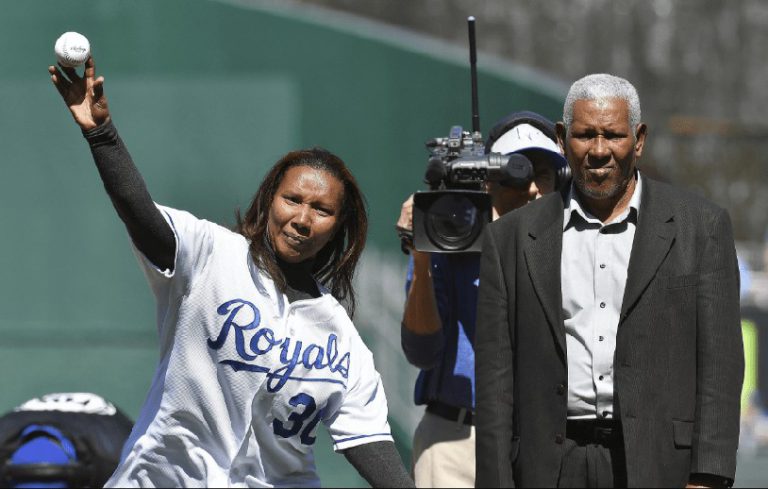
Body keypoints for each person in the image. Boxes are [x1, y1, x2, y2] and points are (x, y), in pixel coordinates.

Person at [48, 56, 414, 488]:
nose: (302, 218)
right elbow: (141, 217)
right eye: (292, 199)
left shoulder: (341, 338)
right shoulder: (213, 254)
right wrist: (102, 136)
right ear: (268, 201)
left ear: (339, 228)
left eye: (321, 210)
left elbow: (369, 444)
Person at [475, 73, 744, 488]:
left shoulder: (701, 228)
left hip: (659, 467)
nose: (599, 151)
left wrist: (708, 476)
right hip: (547, 467)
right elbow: (495, 381)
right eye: (585, 135)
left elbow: (720, 367)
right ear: (563, 139)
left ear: (638, 139)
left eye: (613, 135)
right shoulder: (510, 238)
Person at [396, 111, 568, 488]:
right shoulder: (447, 238)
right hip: (455, 441)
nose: (534, 188)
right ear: (489, 182)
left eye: (543, 174)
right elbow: (422, 353)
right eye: (518, 173)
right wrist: (421, 252)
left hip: (541, 440)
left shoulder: (573, 252)